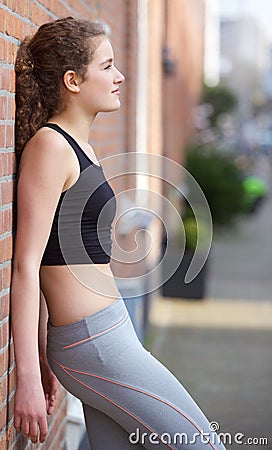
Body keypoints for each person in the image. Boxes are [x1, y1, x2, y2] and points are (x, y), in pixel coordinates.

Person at [11, 16, 227, 450]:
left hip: (107, 333)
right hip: (94, 343)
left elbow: (55, 256)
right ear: (73, 80)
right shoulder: (51, 147)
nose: (120, 76)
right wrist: (28, 379)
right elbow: (25, 266)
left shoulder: (80, 148)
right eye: (107, 66)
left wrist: (41, 349)